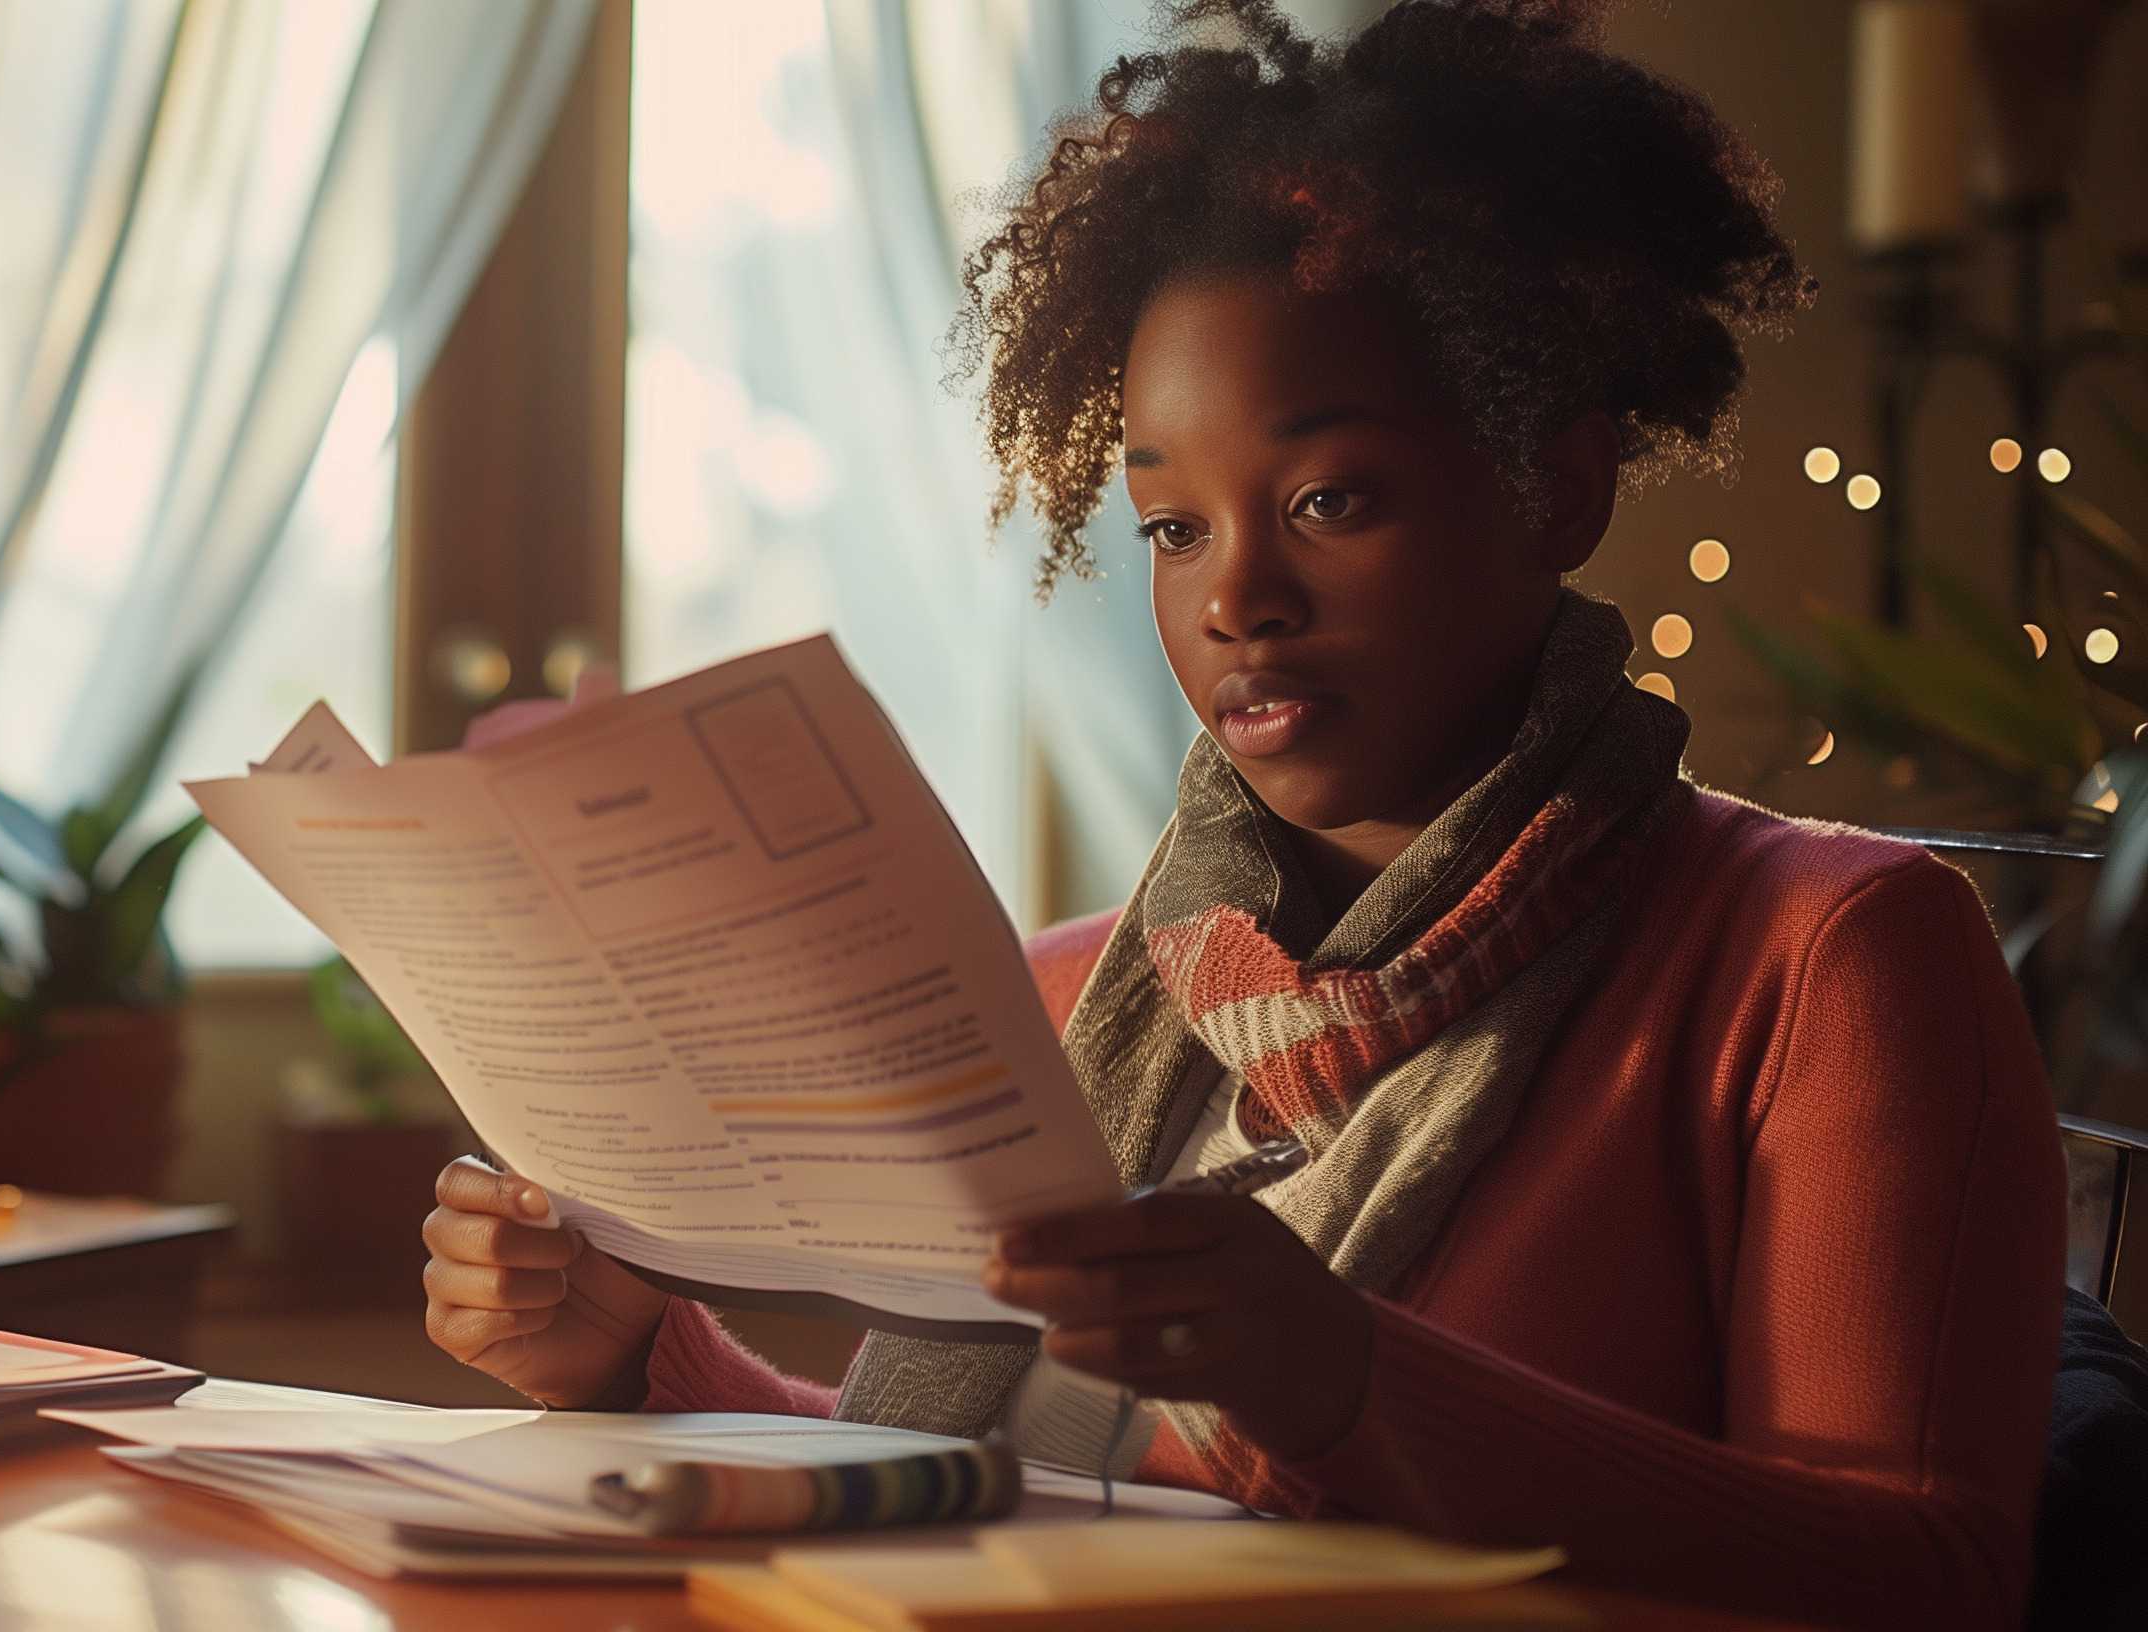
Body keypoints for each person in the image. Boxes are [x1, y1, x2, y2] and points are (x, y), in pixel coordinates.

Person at [419, 3, 2067, 1623]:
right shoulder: (1065, 1005)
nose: (1240, 600)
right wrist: (641, 1353)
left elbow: (1931, 1578)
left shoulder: (1826, 960)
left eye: (1328, 500)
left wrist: (1349, 1381)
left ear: (1556, 489)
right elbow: (958, 1513)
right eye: (1172, 529)